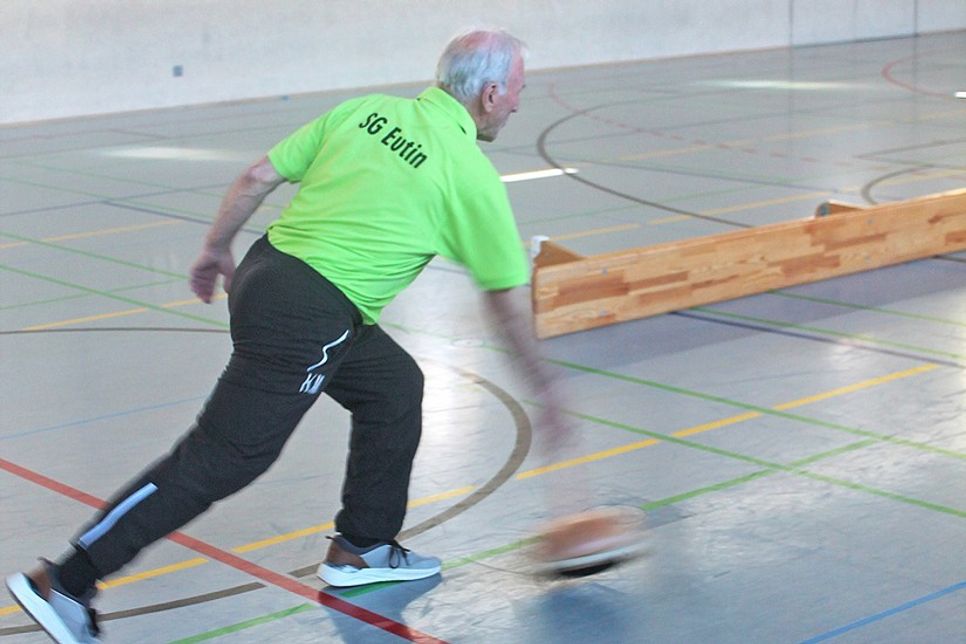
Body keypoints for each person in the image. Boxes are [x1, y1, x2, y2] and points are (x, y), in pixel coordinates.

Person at [6, 28, 569, 642]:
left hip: (265, 272)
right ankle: (64, 581)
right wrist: (548, 388)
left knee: (394, 387)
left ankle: (363, 549)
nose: (517, 103)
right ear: (490, 95)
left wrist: (215, 247)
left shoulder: (368, 111)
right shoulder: (470, 175)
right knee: (223, 457)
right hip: (311, 315)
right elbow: (503, 302)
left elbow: (256, 176)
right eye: (516, 91)